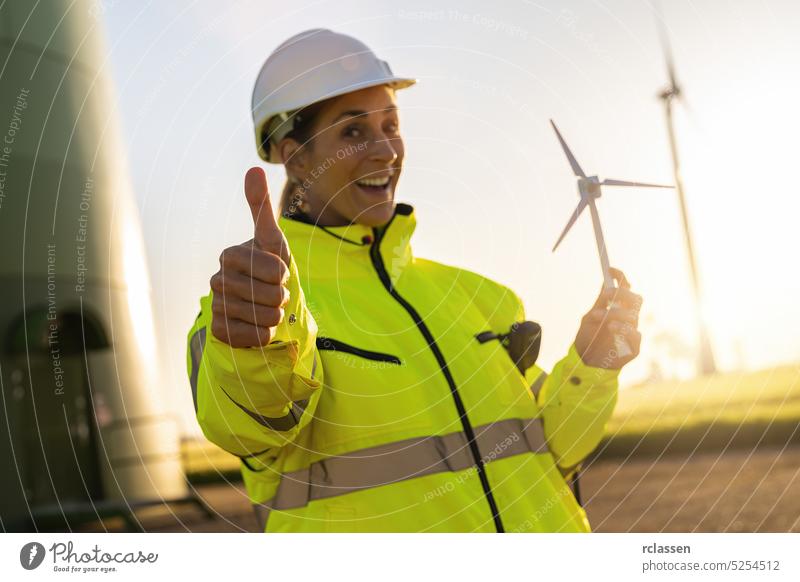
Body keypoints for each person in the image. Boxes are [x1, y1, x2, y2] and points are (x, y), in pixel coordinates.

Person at [186, 29, 642, 533]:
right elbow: (243, 420)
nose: (385, 150)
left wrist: (593, 365)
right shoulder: (257, 302)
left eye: (391, 125)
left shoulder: (483, 298)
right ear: (296, 157)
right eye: (353, 132)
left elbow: (550, 452)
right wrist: (249, 349)